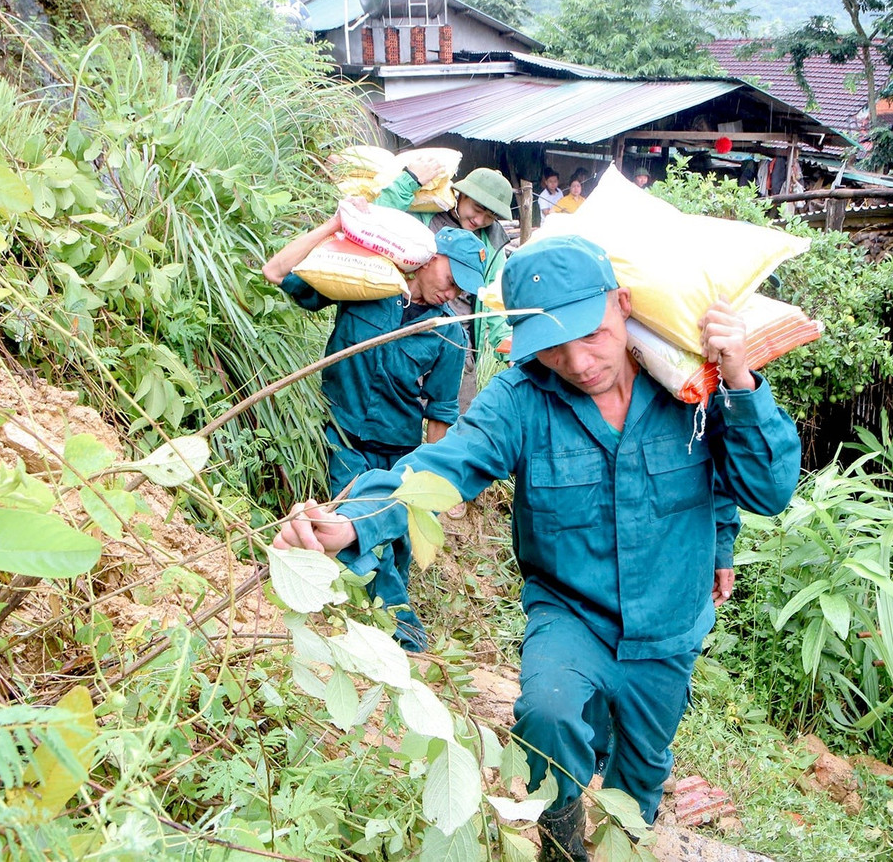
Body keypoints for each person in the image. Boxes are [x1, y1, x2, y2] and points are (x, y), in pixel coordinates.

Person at [272, 235, 802, 858]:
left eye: (592, 335)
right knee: (550, 716)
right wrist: (357, 520)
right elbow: (449, 462)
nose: (578, 363)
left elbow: (761, 490)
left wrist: (739, 379)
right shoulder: (521, 400)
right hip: (570, 612)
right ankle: (559, 844)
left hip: (669, 623)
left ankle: (624, 843)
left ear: (623, 304)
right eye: (552, 345)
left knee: (641, 772)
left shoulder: (693, 387)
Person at [262, 215, 487, 652]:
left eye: (463, 288)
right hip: (345, 439)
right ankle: (405, 638)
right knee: (363, 531)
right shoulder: (366, 284)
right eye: (451, 276)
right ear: (428, 257)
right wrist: (334, 225)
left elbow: (440, 415)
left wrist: (428, 493)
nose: (453, 291)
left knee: (395, 549)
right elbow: (276, 273)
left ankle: (368, 625)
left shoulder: (447, 334)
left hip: (400, 454)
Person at [377, 161, 515, 400]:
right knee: (401, 413)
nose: (480, 220)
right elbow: (379, 218)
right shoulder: (427, 217)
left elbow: (493, 299)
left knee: (455, 422)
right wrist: (409, 181)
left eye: (490, 216)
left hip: (460, 343)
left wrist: (508, 349)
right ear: (461, 195)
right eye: (477, 208)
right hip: (409, 329)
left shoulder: (493, 246)